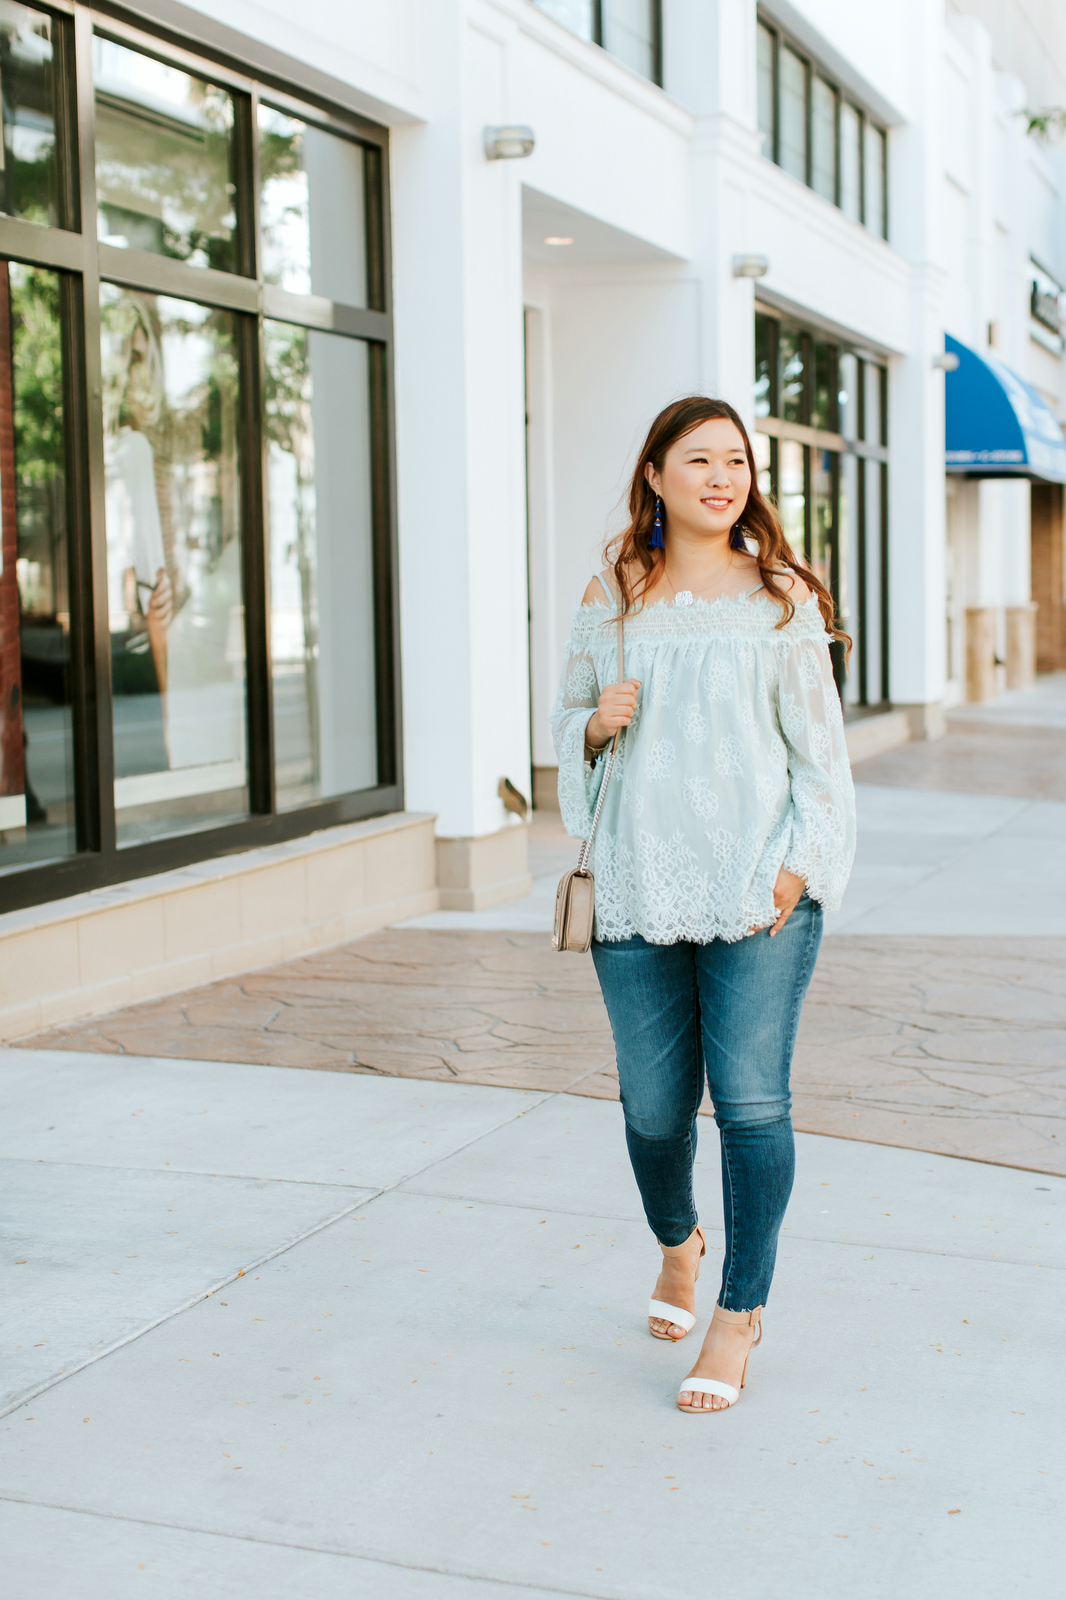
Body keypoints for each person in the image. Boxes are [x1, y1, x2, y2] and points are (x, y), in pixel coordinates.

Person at [549, 396, 856, 1413]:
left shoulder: (780, 599)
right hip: (637, 884)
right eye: (698, 460)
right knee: (649, 1111)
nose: (722, 477)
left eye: (736, 461)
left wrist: (797, 868)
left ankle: (738, 1313)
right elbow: (569, 733)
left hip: (757, 888)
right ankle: (678, 1244)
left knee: (753, 1105)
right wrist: (593, 726)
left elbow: (822, 759)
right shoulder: (614, 595)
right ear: (655, 477)